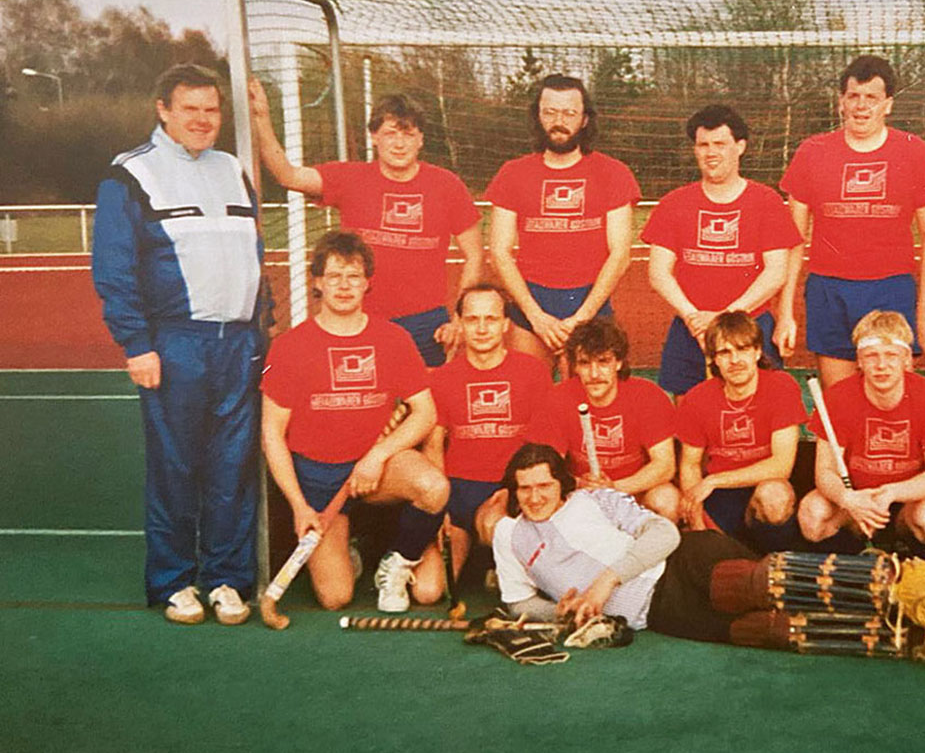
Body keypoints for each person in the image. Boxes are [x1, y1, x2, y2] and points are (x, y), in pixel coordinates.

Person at [492, 443, 925, 671]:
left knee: (750, 585)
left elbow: (663, 533)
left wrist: (606, 581)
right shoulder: (511, 536)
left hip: (681, 562)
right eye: (524, 489)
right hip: (660, 613)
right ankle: (913, 638)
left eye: (543, 486)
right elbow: (517, 603)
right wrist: (557, 611)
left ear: (562, 484)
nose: (534, 497)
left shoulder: (594, 499)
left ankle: (895, 580)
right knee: (767, 630)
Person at [93, 63, 265, 625]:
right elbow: (115, 270)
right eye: (189, 108)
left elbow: (253, 258)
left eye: (211, 109)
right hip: (176, 344)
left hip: (238, 344)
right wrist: (137, 345)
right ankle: (174, 581)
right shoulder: (130, 175)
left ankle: (227, 579)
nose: (202, 119)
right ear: (163, 110)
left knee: (233, 468)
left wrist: (262, 329)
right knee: (176, 468)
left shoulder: (233, 169)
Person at [259, 231, 447, 613]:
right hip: (320, 480)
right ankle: (355, 547)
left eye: (353, 276)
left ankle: (396, 563)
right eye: (334, 276)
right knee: (336, 597)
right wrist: (299, 505)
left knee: (434, 487)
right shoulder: (290, 346)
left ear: (367, 283)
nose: (344, 286)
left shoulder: (392, 338)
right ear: (317, 282)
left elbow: (425, 412)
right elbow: (272, 434)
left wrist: (378, 456)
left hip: (377, 470)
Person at [247, 79, 483, 366]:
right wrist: (262, 118)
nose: (399, 144)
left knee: (426, 395)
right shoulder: (350, 178)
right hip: (358, 318)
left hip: (426, 324)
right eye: (390, 133)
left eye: (408, 134)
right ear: (373, 137)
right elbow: (288, 175)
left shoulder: (447, 185)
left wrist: (459, 318)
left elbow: (474, 255)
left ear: (421, 139)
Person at [775, 55, 925, 388]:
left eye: (872, 97)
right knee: (839, 399)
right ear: (841, 101)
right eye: (854, 96)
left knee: (890, 397)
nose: (861, 106)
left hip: (891, 289)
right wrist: (785, 313)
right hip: (829, 290)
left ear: (888, 104)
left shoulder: (913, 151)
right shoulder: (812, 151)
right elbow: (794, 240)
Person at [641, 104, 801, 396]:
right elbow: (658, 273)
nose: (710, 152)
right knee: (689, 411)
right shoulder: (674, 203)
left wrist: (724, 318)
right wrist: (694, 319)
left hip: (749, 325)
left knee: (757, 410)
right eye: (703, 145)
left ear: (740, 146)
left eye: (720, 144)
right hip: (691, 328)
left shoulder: (766, 201)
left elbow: (776, 272)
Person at [412, 283, 554, 604]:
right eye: (472, 319)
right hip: (459, 493)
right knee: (427, 592)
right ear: (460, 324)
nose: (481, 328)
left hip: (509, 489)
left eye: (491, 319)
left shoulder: (533, 372)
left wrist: (514, 493)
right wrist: (440, 509)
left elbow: (543, 447)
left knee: (494, 525)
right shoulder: (442, 378)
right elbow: (433, 446)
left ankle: (498, 562)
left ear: (505, 325)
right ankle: (484, 561)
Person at [484, 75, 640, 362]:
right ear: (537, 116)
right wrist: (536, 316)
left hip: (590, 304)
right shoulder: (512, 173)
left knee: (590, 387)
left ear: (584, 119)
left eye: (569, 113)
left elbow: (620, 255)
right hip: (530, 303)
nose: (559, 121)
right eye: (550, 112)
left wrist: (582, 318)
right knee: (529, 388)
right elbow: (499, 252)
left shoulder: (614, 173)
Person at [797, 310, 925, 561]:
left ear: (907, 359)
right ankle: (851, 564)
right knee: (813, 514)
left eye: (891, 355)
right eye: (871, 356)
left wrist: (890, 493)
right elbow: (824, 472)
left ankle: (921, 566)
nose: (881, 365)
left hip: (908, 502)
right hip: (855, 501)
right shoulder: (837, 397)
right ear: (859, 361)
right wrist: (848, 498)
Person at [674, 312, 807, 551]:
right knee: (712, 549)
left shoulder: (782, 387)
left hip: (761, 483)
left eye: (742, 349)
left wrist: (714, 480)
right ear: (714, 360)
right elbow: (690, 465)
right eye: (724, 353)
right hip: (721, 496)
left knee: (775, 496)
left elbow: (781, 466)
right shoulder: (697, 398)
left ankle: (776, 558)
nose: (734, 360)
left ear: (757, 351)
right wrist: (698, 518)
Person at [530, 318, 680, 519]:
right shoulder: (558, 398)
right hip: (581, 492)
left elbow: (665, 466)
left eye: (603, 362)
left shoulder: (647, 396)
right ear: (575, 367)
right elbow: (548, 467)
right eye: (585, 363)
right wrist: (580, 484)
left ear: (618, 362)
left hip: (634, 491)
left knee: (667, 499)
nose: (594, 374)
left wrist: (614, 487)